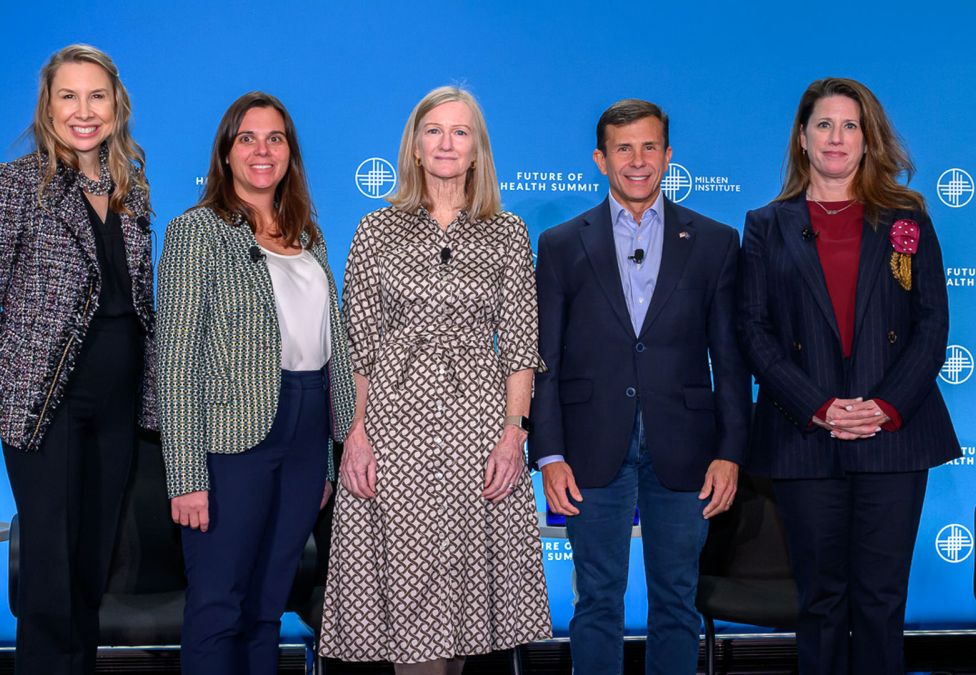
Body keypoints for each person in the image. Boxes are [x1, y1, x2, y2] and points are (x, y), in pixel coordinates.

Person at [320, 85, 551, 674]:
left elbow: (522, 348)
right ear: (416, 147)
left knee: (466, 604)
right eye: (434, 131)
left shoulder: (507, 232)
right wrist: (356, 434)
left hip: (478, 428)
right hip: (394, 428)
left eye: (461, 132)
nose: (447, 143)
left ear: (477, 150)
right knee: (412, 608)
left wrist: (513, 435)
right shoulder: (377, 229)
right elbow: (357, 346)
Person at [737, 77, 960, 675]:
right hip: (806, 436)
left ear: (867, 140)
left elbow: (932, 324)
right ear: (803, 140)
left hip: (895, 436)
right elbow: (754, 331)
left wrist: (884, 406)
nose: (837, 138)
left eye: (850, 126)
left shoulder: (905, 218)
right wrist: (819, 406)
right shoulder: (766, 225)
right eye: (824, 125)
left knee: (882, 602)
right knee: (821, 602)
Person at [529, 98, 751, 675]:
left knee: (677, 602)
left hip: (687, 449)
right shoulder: (559, 245)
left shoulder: (714, 242)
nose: (637, 160)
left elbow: (730, 361)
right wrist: (548, 453)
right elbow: (543, 360)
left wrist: (730, 452)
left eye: (650, 147)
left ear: (669, 156)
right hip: (588, 448)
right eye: (623, 148)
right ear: (600, 160)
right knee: (596, 600)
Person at [156, 91, 355, 675]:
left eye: (275, 138)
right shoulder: (198, 232)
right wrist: (186, 477)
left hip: (306, 426)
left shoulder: (310, 237)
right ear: (226, 153)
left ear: (290, 153)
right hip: (229, 443)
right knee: (220, 604)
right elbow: (176, 363)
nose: (262, 150)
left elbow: (326, 350)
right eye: (247, 138)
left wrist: (323, 461)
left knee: (269, 608)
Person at [0, 44, 155, 675]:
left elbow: (139, 302)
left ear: (116, 106)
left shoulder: (131, 189)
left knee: (93, 564)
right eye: (69, 96)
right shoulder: (15, 186)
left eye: (97, 96)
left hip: (119, 406)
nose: (83, 111)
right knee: (51, 564)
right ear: (48, 106)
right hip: (45, 402)